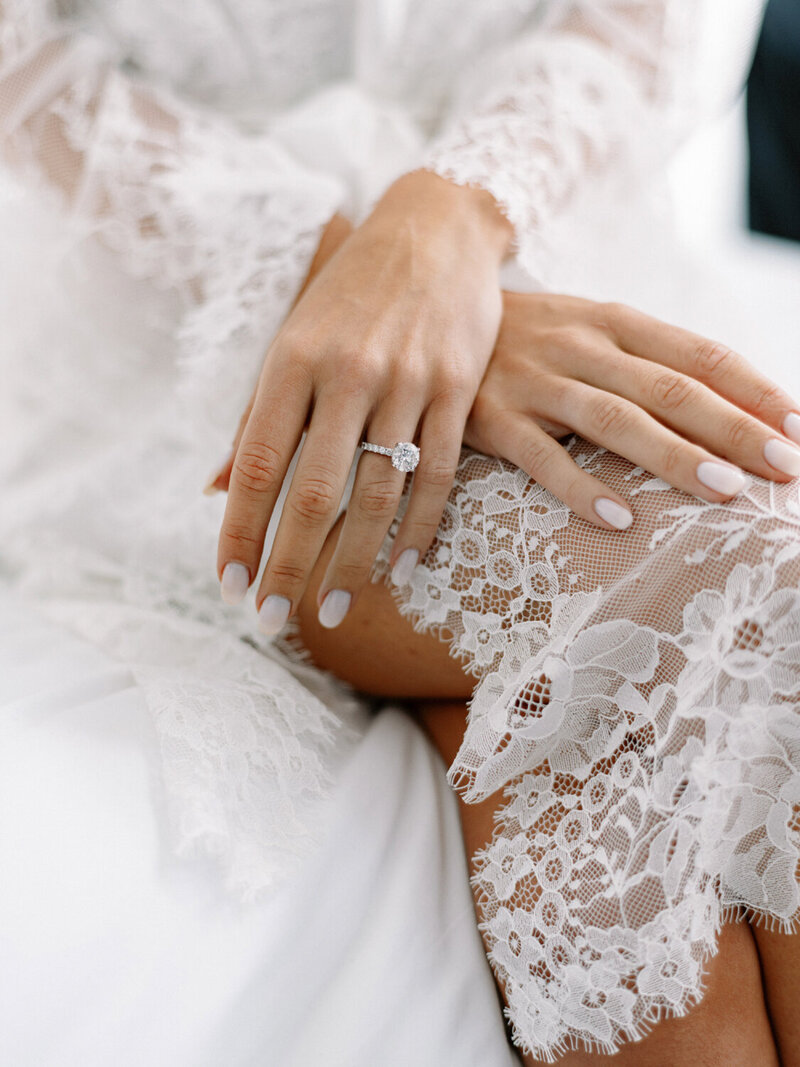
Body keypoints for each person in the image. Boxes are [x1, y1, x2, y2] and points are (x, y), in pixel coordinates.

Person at [0, 1, 796, 1064]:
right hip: (187, 351)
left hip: (561, 263)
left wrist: (455, 221)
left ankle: (476, 686)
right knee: (755, 582)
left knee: (635, 713)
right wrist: (345, 272)